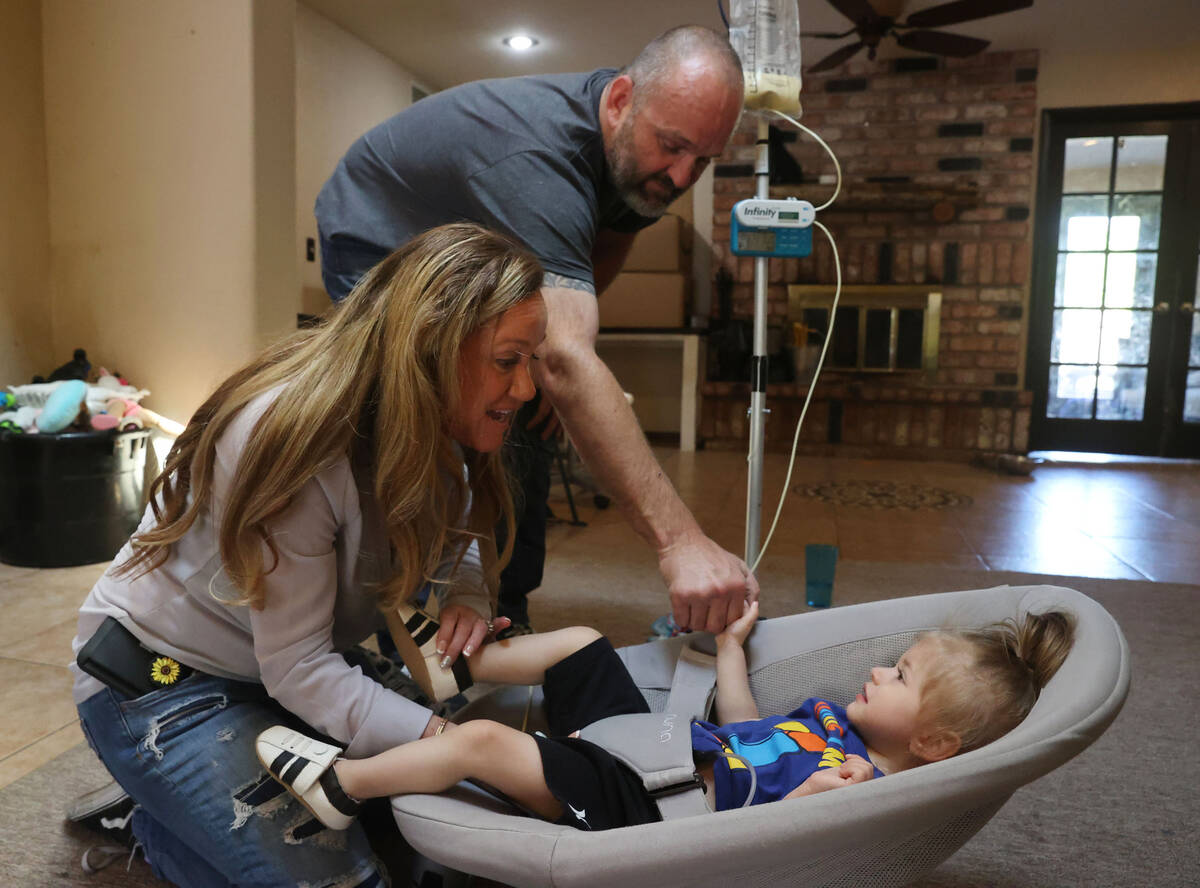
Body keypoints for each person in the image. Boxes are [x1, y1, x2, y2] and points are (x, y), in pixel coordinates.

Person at [70, 224, 546, 887]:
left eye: (533, 358)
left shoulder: (432, 417)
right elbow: (299, 668)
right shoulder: (292, 440)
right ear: (433, 350)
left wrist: (466, 594)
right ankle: (160, 823)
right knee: (349, 877)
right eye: (508, 360)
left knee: (452, 825)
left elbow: (463, 508)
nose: (526, 389)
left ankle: (187, 806)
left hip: (273, 662)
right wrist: (456, 746)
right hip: (157, 680)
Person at [315, 25, 755, 637]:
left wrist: (545, 368)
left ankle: (501, 606)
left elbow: (602, 249)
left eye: (703, 160)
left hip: (471, 253)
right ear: (622, 100)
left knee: (527, 405)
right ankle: (412, 611)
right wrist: (680, 541)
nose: (683, 177)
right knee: (453, 410)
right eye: (673, 147)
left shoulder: (638, 157)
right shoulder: (539, 160)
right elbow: (566, 360)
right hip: (377, 239)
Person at [256, 602, 1076, 832]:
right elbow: (750, 730)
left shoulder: (859, 782)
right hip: (651, 745)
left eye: (898, 675)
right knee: (579, 643)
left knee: (480, 744)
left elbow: (767, 845)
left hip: (644, 801)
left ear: (932, 742)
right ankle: (445, 668)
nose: (875, 669)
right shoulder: (839, 726)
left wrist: (832, 797)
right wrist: (728, 656)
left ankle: (343, 787)